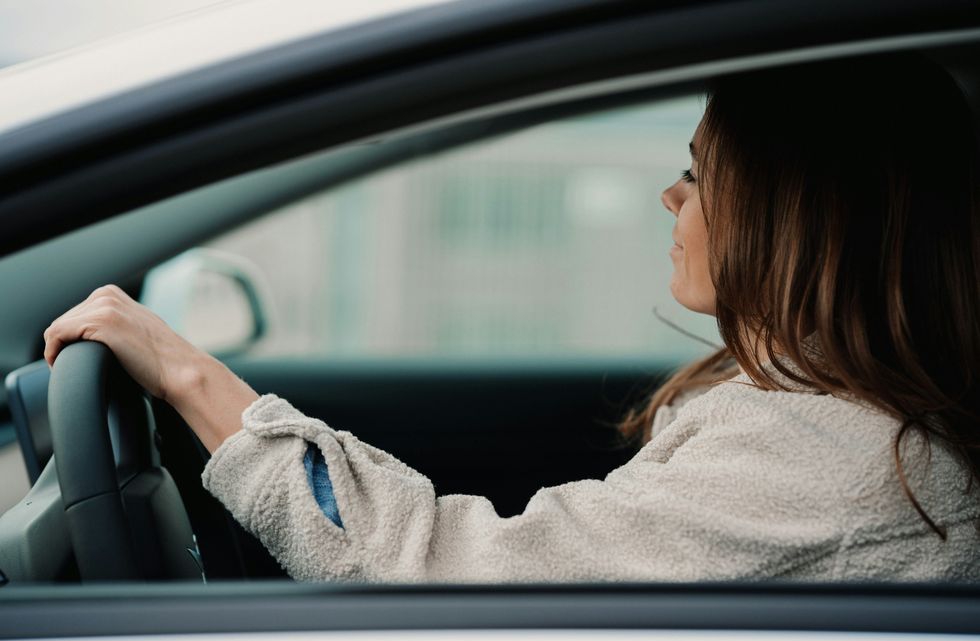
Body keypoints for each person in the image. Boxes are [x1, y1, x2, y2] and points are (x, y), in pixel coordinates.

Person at [43, 51, 980, 583]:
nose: (671, 197)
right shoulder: (833, 423)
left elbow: (433, 575)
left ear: (794, 214)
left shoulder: (835, 455)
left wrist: (189, 377)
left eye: (699, 173)